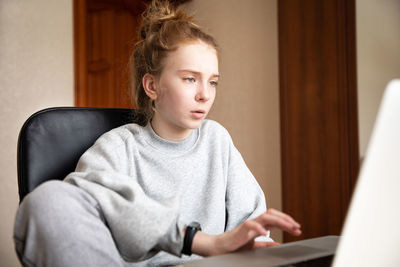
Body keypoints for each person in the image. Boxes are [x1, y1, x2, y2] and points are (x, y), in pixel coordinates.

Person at [13, 1, 301, 266]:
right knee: (46, 201)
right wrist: (196, 241)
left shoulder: (218, 140)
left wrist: (258, 246)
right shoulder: (119, 146)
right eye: (190, 79)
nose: (205, 95)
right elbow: (71, 206)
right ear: (152, 86)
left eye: (212, 82)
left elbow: (251, 226)